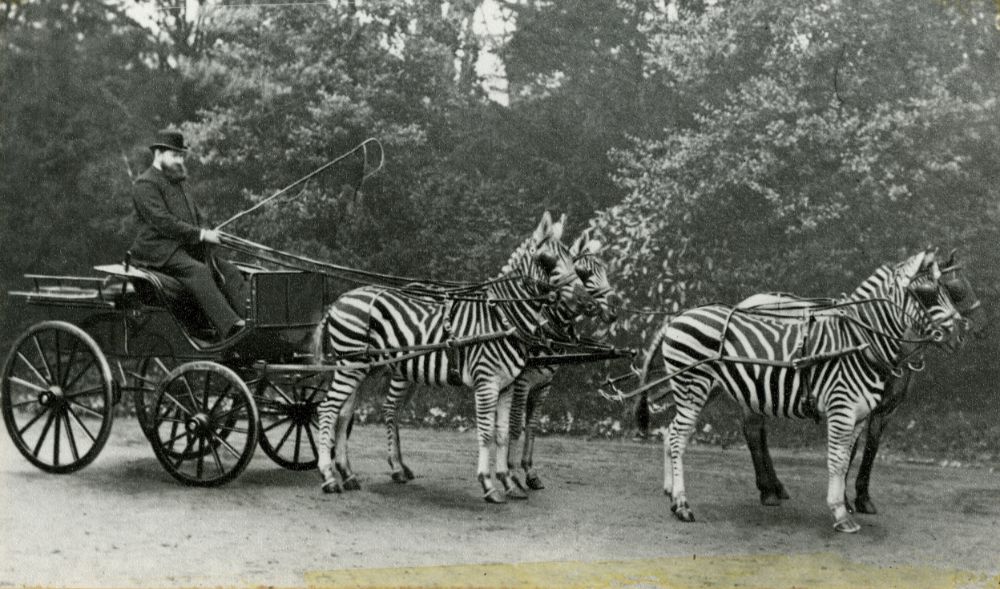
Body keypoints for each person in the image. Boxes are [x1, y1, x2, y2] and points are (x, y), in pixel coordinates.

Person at [129, 129, 248, 340]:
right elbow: (163, 222)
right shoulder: (145, 184)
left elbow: (196, 215)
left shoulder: (180, 181)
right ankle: (232, 329)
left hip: (185, 247)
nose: (179, 160)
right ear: (158, 154)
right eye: (175, 155)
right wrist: (201, 235)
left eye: (181, 156)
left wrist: (209, 231)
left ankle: (250, 321)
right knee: (199, 271)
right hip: (159, 251)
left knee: (229, 271)